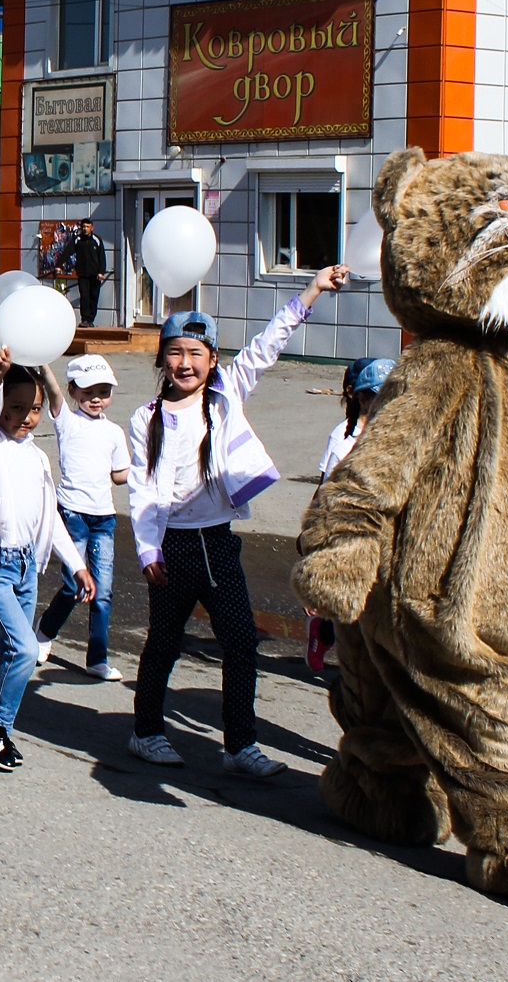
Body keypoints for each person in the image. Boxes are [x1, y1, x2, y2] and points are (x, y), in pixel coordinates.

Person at [126, 265, 347, 777]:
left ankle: (240, 745)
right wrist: (147, 549)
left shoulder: (226, 394)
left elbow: (269, 343)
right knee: (163, 641)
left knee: (241, 642)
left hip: (218, 542)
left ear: (212, 360)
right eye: (175, 353)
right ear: (162, 358)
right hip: (173, 546)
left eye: (195, 354)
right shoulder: (147, 417)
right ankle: (146, 732)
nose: (185, 364)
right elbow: (144, 487)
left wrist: (312, 290)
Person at [0, 347, 94, 771]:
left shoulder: (38, 457)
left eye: (35, 408)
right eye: (16, 407)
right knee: (26, 648)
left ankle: (0, 729)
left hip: (25, 567)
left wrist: (76, 564)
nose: (26, 417)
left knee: (12, 650)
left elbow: (51, 519)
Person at [33, 354, 131, 680]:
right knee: (74, 585)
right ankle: (45, 632)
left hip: (104, 518)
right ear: (75, 392)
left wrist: (146, 468)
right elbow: (53, 392)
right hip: (72, 514)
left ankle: (97, 658)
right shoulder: (68, 421)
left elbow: (119, 475)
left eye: (103, 391)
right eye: (88, 392)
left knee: (102, 591)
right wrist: (43, 364)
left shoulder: (115, 432)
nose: (96, 399)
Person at [303, 357, 393, 669]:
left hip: (389, 542)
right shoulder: (345, 438)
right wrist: (313, 549)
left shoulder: (401, 438)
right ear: (363, 398)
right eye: (378, 396)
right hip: (353, 538)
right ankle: (326, 632)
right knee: (355, 610)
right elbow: (324, 496)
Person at [57, 219, 108, 327]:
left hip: (95, 275)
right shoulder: (77, 240)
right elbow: (67, 252)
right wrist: (59, 264)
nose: (85, 229)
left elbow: (102, 257)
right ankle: (84, 319)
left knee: (93, 297)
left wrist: (101, 272)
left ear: (92, 228)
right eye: (84, 227)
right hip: (82, 274)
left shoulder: (97, 240)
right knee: (84, 297)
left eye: (87, 227)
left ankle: (91, 320)